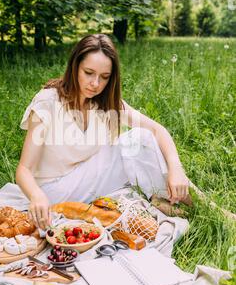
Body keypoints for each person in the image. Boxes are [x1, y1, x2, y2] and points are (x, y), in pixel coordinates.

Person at [16, 33, 191, 232]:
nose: (95, 83)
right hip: (52, 193)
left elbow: (157, 130)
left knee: (142, 139)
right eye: (88, 72)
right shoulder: (48, 102)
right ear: (75, 66)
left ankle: (189, 201)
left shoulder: (105, 103)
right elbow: (24, 170)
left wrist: (176, 169)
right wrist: (36, 196)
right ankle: (180, 201)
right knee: (135, 143)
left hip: (88, 180)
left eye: (104, 77)